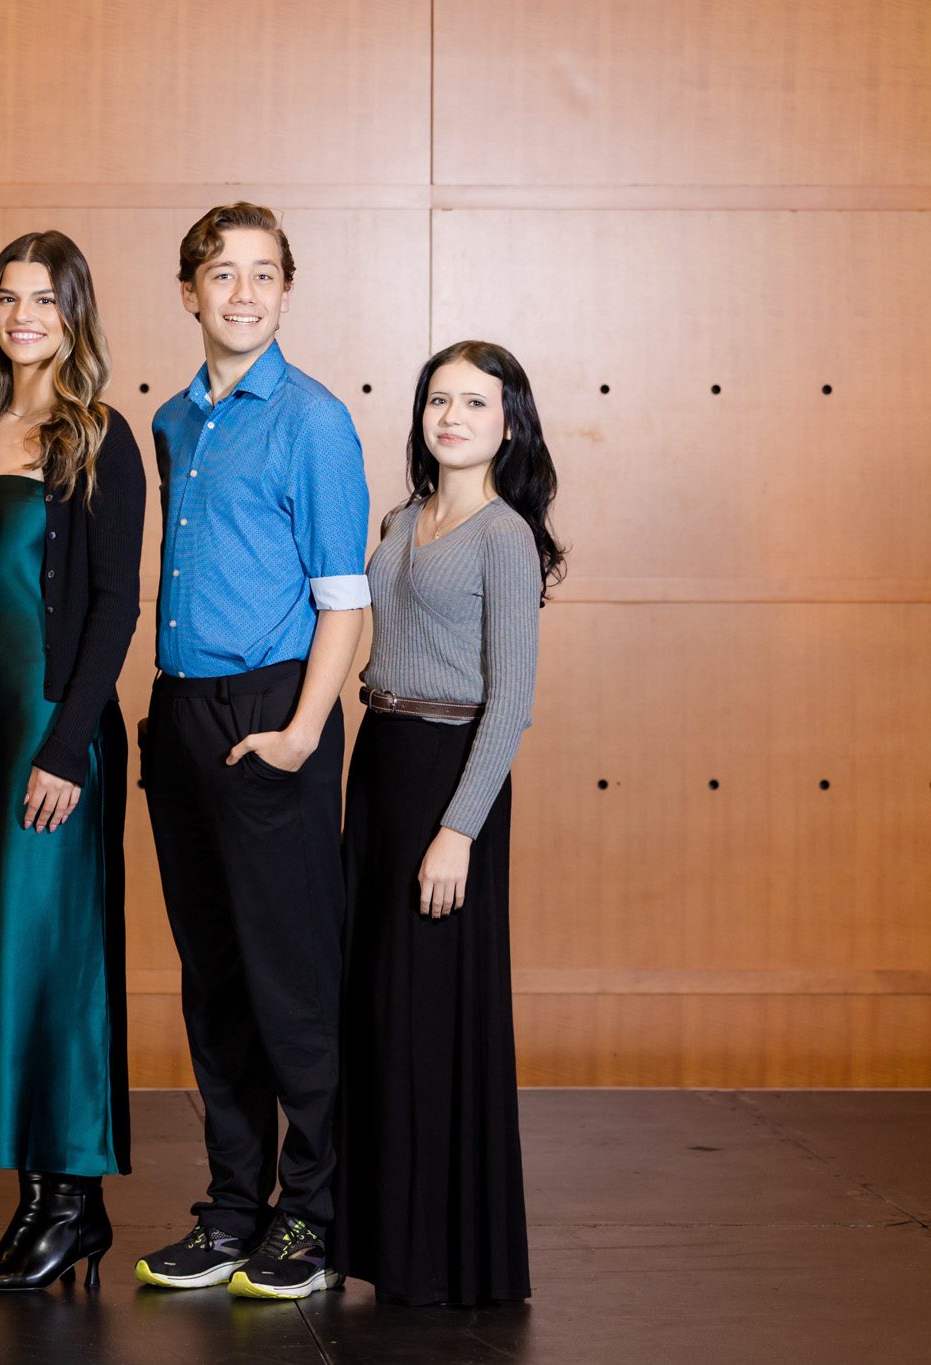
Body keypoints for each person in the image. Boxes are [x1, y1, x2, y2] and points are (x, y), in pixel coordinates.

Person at [133, 204, 370, 1300]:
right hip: (182, 717)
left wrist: (303, 732)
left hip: (274, 714)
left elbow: (341, 598)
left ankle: (311, 1217)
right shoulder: (175, 420)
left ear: (284, 291)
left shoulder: (313, 421)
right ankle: (234, 1207)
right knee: (213, 981)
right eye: (220, 274)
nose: (241, 293)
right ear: (187, 291)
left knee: (289, 981)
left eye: (262, 275)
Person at [0, 230, 144, 1291]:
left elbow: (111, 607)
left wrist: (63, 748)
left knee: (56, 968)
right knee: (1, 963)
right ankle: (33, 1211)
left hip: (54, 739)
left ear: (74, 314)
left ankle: (74, 1206)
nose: (21, 317)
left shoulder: (98, 435)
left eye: (43, 301)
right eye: (6, 298)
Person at [334, 340, 559, 1308]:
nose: (451, 416)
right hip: (377, 759)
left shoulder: (503, 536)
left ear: (507, 422)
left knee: (431, 1015)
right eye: (437, 400)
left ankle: (438, 1255)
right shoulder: (398, 518)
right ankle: (369, 1240)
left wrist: (457, 830)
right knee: (370, 1006)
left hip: (448, 777)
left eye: (474, 401)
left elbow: (510, 700)